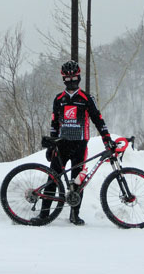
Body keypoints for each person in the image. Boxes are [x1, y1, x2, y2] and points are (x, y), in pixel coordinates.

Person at [35, 60, 116, 226]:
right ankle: (44, 215)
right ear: (63, 79)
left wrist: (106, 137)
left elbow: (98, 120)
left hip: (80, 145)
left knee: (78, 181)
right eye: (67, 79)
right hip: (62, 145)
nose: (71, 81)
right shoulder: (59, 99)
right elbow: (54, 124)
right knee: (52, 178)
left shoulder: (86, 98)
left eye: (74, 78)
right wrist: (51, 145)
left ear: (78, 77)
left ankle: (74, 214)